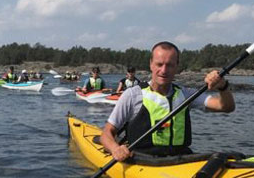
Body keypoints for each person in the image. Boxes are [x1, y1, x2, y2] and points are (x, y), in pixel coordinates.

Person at [100, 41, 234, 160]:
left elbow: (226, 107)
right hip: (143, 160)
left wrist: (222, 86)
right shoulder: (132, 95)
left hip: (181, 159)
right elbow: (106, 134)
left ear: (177, 66)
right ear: (151, 64)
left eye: (169, 65)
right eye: (159, 64)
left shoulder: (186, 94)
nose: (164, 70)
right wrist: (115, 149)